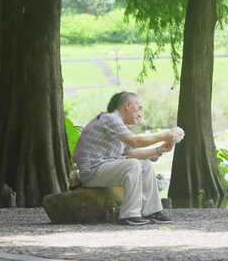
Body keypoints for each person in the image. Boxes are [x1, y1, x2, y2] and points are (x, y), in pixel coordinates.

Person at [73, 91, 184, 226]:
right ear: (128, 106)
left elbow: (131, 152)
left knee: (144, 164)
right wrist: (165, 135)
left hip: (104, 168)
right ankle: (129, 215)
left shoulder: (120, 126)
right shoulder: (110, 118)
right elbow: (135, 142)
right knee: (133, 165)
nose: (140, 113)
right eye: (139, 108)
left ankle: (152, 211)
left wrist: (158, 150)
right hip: (91, 172)